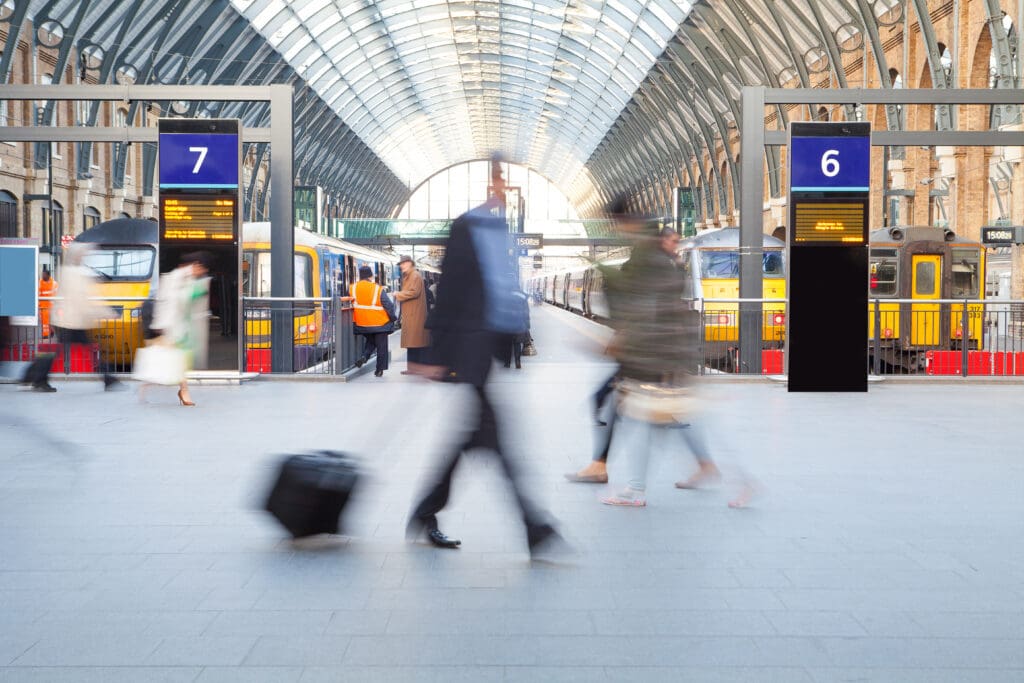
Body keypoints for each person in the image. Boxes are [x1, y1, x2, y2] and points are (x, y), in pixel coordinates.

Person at [407, 156, 561, 558]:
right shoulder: (467, 226)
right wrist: (435, 354)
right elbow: (451, 291)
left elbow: (500, 290)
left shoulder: (498, 230)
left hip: (482, 349)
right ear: (486, 185)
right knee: (494, 439)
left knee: (476, 437)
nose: (503, 187)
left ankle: (426, 512)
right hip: (465, 348)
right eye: (498, 179)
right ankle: (533, 526)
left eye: (505, 181)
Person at [140, 252, 211, 406]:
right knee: (171, 361)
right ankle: (181, 392)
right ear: (195, 265)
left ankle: (147, 386)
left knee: (175, 361)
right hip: (171, 327)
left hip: (180, 328)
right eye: (201, 269)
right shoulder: (173, 279)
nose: (202, 273)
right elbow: (167, 304)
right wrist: (161, 326)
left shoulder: (189, 280)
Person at [51, 243, 121, 391]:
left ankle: (36, 377)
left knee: (60, 351)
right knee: (90, 350)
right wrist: (108, 313)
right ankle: (109, 379)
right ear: (77, 256)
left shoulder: (67, 271)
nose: (84, 257)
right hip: (73, 321)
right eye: (82, 255)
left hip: (69, 320)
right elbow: (88, 299)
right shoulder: (77, 274)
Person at [346, 265, 395, 377]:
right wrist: (393, 318)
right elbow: (389, 305)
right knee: (381, 346)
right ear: (371, 276)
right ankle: (379, 370)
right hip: (380, 323)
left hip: (361, 324)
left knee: (372, 341)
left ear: (359, 275)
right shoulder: (377, 288)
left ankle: (364, 357)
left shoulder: (352, 288)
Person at [391, 255, 430, 375]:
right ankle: (412, 368)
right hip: (411, 314)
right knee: (412, 343)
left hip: (415, 315)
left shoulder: (415, 275)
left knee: (415, 343)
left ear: (409, 263)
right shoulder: (409, 276)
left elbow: (414, 292)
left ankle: (415, 368)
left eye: (403, 263)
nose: (401, 266)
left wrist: (399, 294)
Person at [38, 267, 57, 339]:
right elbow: (38, 293)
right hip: (42, 305)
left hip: (51, 306)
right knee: (44, 321)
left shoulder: (54, 284)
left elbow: (56, 293)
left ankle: (48, 332)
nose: (43, 276)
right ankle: (47, 333)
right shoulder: (39, 283)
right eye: (42, 274)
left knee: (48, 321)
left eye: (44, 275)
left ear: (48, 275)